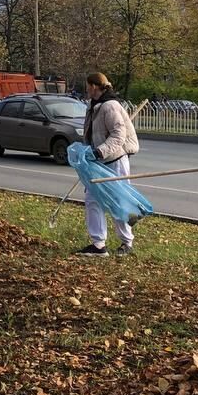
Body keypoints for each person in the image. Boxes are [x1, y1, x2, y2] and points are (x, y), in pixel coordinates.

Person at [75, 72, 140, 259]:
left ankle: (127, 242)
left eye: (88, 86)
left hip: (114, 161)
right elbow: (90, 133)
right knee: (92, 200)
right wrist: (87, 154)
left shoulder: (110, 106)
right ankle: (98, 245)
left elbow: (118, 136)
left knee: (117, 201)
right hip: (97, 163)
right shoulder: (94, 105)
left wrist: (99, 152)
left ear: (94, 86)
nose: (86, 89)